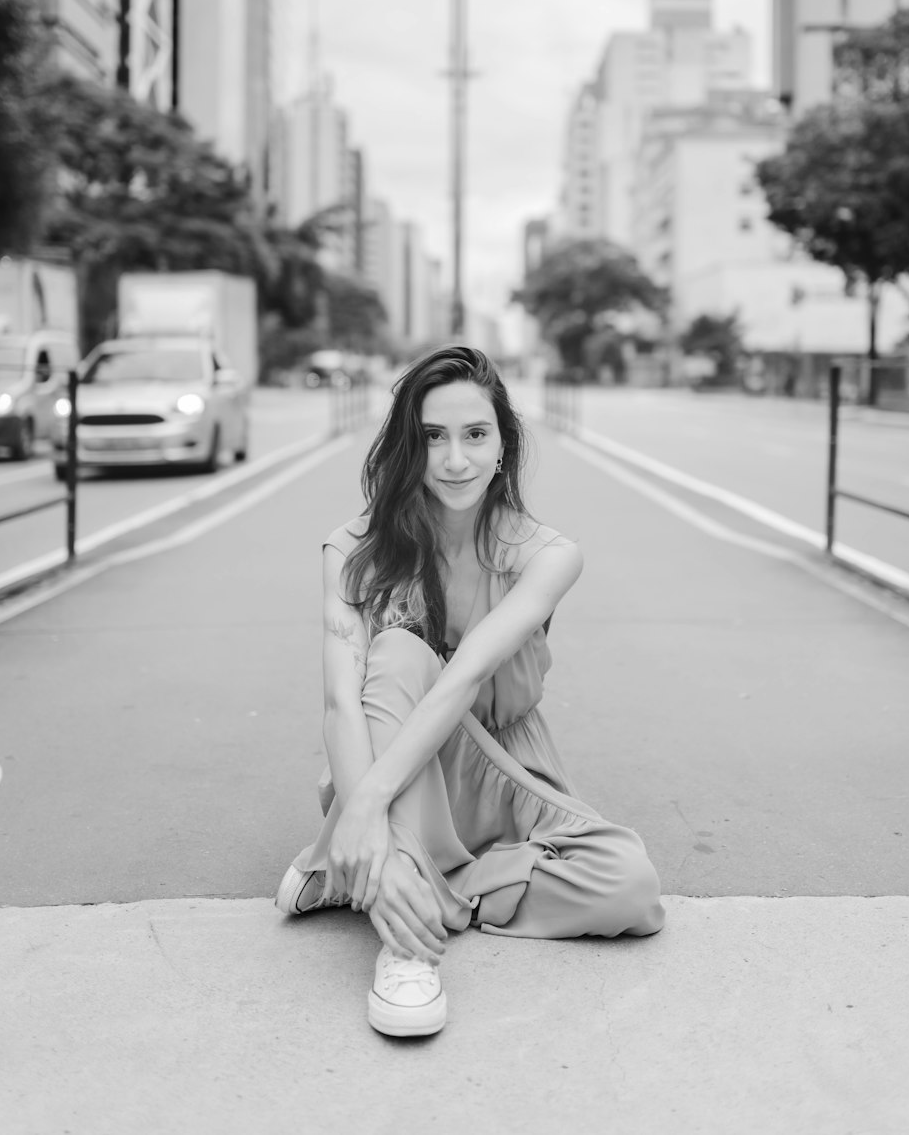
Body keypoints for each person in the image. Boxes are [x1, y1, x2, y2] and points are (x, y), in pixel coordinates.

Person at [275, 344, 664, 1037]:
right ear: (406, 447)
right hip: (391, 763)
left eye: (475, 435)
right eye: (432, 437)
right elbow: (341, 703)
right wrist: (365, 800)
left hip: (501, 765)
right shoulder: (354, 549)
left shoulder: (545, 554)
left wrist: (360, 816)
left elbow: (466, 679)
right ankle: (405, 949)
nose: (455, 459)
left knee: (627, 885)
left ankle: (370, 875)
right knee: (397, 652)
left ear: (503, 446)